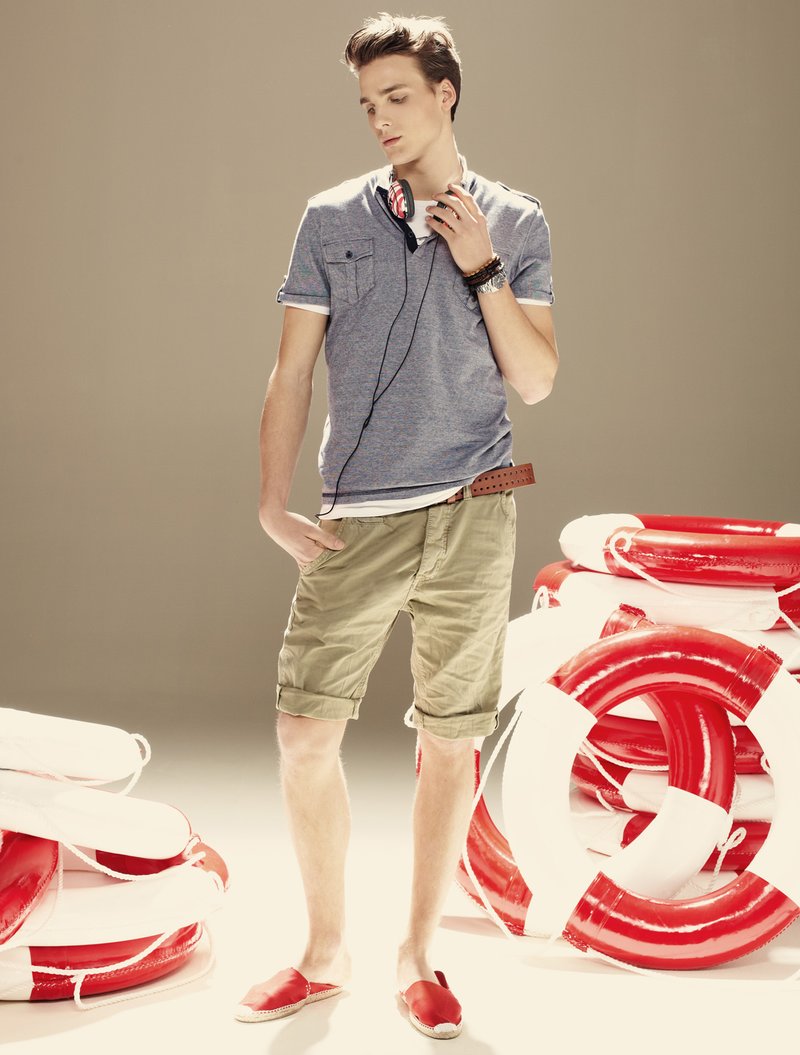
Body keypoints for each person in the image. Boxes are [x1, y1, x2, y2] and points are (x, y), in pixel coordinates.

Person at [236, 12, 558, 1040]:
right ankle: (322, 949)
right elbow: (291, 372)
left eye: (398, 96)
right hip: (357, 519)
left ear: (444, 94)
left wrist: (482, 264)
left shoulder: (515, 218)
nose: (380, 117)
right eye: (368, 102)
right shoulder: (329, 217)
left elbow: (536, 379)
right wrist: (271, 502)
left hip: (473, 510)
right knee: (304, 733)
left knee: (451, 742)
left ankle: (417, 956)